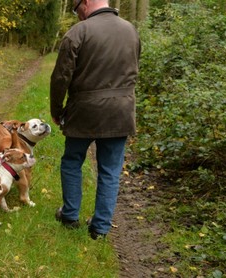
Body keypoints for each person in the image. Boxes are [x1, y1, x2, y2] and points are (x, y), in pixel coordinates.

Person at [50, 0, 141, 240]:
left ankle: (70, 215)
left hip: (84, 111)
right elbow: (134, 68)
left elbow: (61, 77)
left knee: (72, 161)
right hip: (120, 112)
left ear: (87, 2)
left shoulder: (78, 32)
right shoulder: (130, 30)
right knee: (110, 169)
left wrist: (56, 110)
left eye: (77, 8)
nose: (77, 13)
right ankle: (100, 228)